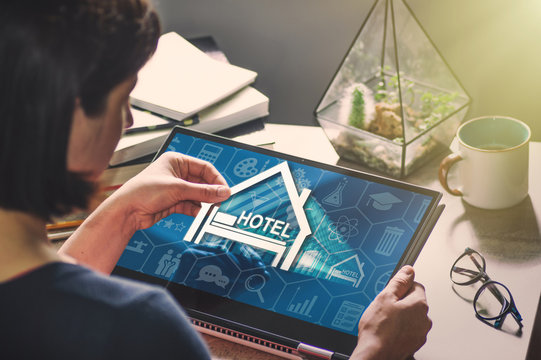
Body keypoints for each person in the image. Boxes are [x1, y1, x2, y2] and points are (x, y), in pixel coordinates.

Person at [0, 1, 431, 359]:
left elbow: (44, 295)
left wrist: (124, 211)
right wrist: (375, 351)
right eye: (123, 97)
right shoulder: (141, 326)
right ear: (74, 114)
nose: (128, 120)